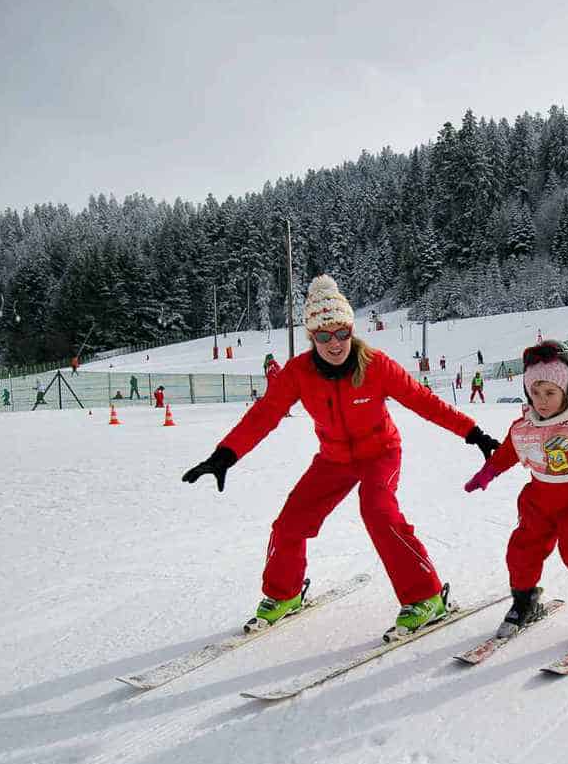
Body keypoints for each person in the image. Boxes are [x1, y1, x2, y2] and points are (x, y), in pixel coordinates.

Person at [182, 274, 501, 640]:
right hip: (333, 459)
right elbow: (264, 415)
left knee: (378, 511)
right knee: (290, 522)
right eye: (324, 335)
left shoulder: (376, 365)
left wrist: (472, 432)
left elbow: (423, 401)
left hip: (380, 452)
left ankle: (426, 597)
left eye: (342, 333)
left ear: (352, 330)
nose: (335, 343)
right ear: (311, 337)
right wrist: (225, 455)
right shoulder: (298, 374)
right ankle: (284, 594)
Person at [463, 340, 568, 648]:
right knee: (522, 549)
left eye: (550, 393)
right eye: (535, 393)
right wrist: (486, 474)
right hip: (538, 499)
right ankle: (525, 599)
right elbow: (508, 452)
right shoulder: (524, 425)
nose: (541, 401)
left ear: (567, 390)